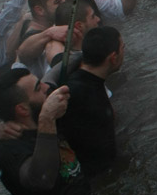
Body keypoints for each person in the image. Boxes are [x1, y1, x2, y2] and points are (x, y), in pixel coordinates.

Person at [0, 68, 92, 195]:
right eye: (38, 87)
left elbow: (58, 69)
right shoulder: (6, 150)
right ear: (21, 109)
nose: (46, 87)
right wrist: (47, 119)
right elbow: (41, 179)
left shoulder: (43, 112)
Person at [53, 26, 124, 177]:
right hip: (94, 177)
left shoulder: (87, 79)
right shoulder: (76, 92)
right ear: (113, 57)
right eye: (122, 48)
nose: (124, 52)